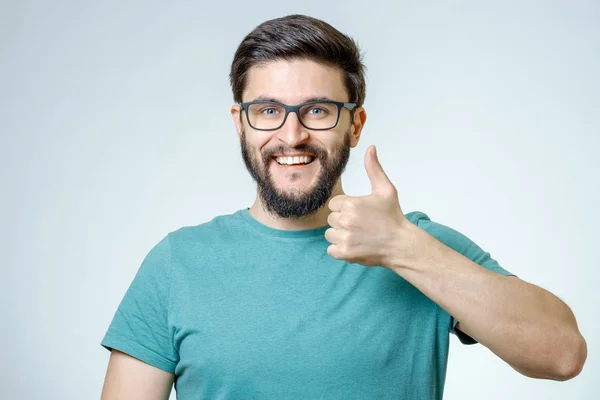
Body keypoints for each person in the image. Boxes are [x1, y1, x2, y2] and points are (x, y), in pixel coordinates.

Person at [100, 14, 587, 400]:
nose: (292, 135)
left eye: (317, 110)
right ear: (240, 123)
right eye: (268, 111)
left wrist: (403, 248)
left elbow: (562, 355)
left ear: (354, 126)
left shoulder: (416, 246)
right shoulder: (176, 263)